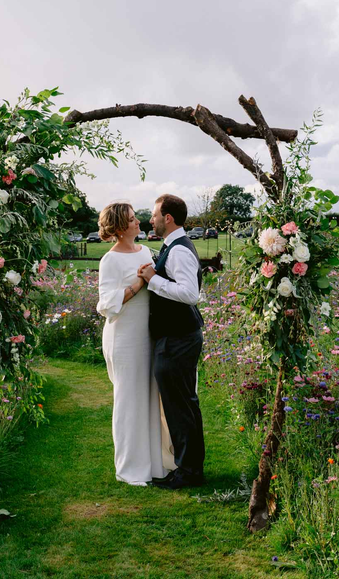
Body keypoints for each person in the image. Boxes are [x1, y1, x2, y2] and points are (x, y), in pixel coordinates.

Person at [96, 202, 174, 485]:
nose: (139, 221)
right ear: (119, 228)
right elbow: (106, 305)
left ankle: (155, 465)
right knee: (129, 401)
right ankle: (130, 469)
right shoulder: (110, 261)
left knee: (151, 397)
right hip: (124, 337)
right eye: (131, 219)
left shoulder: (146, 252)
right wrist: (138, 286)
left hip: (148, 334)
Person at [137, 194, 205, 489]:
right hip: (177, 336)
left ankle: (188, 472)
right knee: (183, 404)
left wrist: (153, 279)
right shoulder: (171, 247)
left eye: (154, 215)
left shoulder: (178, 251)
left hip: (178, 338)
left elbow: (190, 294)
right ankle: (189, 468)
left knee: (180, 407)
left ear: (168, 218)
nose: (150, 220)